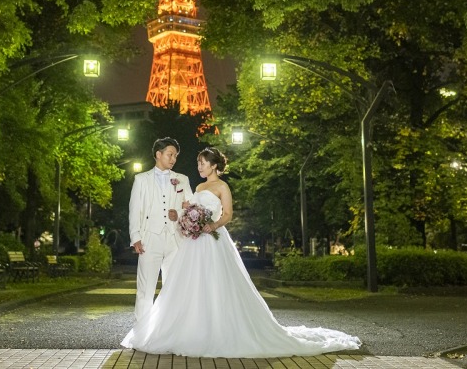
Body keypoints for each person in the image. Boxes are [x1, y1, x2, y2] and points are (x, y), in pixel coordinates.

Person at [121, 147, 361, 358]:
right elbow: (192, 207)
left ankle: (218, 328)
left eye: (202, 163)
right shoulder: (199, 186)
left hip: (214, 239)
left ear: (213, 165)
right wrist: (187, 215)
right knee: (189, 285)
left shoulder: (222, 186)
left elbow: (228, 214)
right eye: (198, 163)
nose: (199, 167)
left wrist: (212, 225)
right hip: (194, 242)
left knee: (217, 283)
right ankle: (188, 327)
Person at [128, 137, 194, 321]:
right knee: (145, 288)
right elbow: (135, 209)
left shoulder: (182, 179)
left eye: (175, 156)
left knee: (173, 287)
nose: (173, 159)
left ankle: (169, 327)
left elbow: (192, 208)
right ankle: (142, 328)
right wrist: (136, 237)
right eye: (170, 155)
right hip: (149, 238)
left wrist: (179, 213)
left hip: (175, 239)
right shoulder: (141, 179)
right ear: (158, 154)